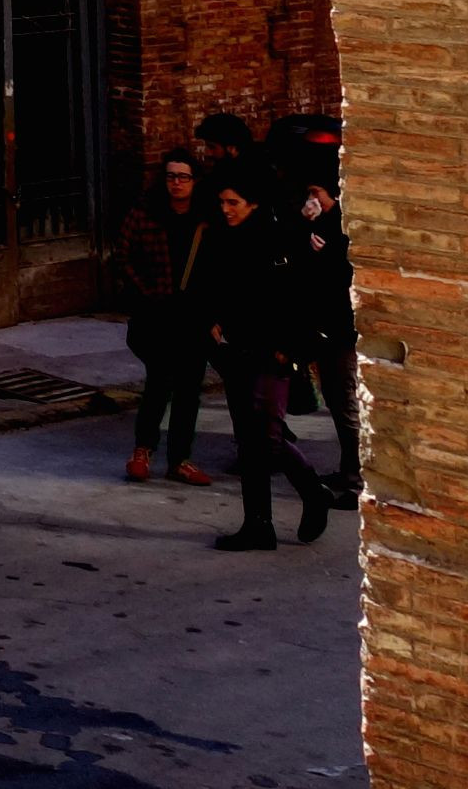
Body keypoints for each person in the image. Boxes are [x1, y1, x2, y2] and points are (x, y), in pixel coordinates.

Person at [192, 165, 328, 551]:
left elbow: (297, 298)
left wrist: (290, 348)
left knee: (266, 436)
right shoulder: (222, 237)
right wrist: (213, 320)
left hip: (272, 352)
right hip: (236, 350)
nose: (226, 209)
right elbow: (214, 287)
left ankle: (311, 490)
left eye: (233, 202)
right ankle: (258, 524)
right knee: (249, 440)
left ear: (252, 203)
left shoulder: (278, 238)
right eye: (222, 202)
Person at [114, 149, 215, 484]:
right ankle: (142, 451)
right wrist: (145, 292)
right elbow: (123, 255)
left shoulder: (207, 218)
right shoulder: (145, 213)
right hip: (155, 314)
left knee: (188, 390)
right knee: (158, 382)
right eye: (171, 176)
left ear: (194, 181)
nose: (176, 183)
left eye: (183, 177)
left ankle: (180, 460)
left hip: (194, 316)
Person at [288, 175, 360, 507]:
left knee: (345, 402)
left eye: (315, 193)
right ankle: (348, 471)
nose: (311, 200)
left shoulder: (343, 225)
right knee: (334, 398)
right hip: (325, 327)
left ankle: (357, 481)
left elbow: (344, 273)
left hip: (342, 328)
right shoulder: (315, 225)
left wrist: (326, 253)